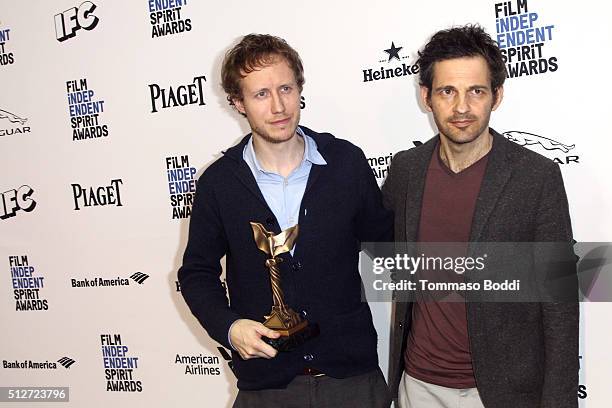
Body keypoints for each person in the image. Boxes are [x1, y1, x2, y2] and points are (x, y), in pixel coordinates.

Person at [178, 33, 392, 408]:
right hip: (267, 387)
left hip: (353, 381)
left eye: (286, 89)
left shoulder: (345, 163)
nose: (278, 106)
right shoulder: (218, 184)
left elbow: (389, 247)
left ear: (299, 90)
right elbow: (196, 274)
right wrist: (229, 328)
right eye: (260, 94)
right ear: (237, 103)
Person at [382, 25, 578, 408]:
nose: (461, 108)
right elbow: (369, 244)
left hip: (501, 392)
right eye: (446, 91)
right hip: (417, 385)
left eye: (476, 91)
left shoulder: (535, 177)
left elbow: (560, 302)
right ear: (426, 97)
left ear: (497, 95)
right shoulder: (407, 170)